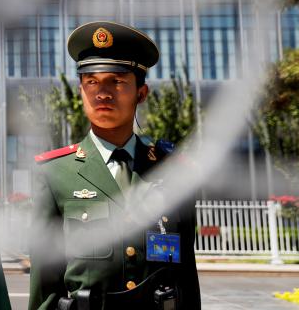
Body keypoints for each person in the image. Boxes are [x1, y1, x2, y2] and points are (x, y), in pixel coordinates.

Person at [28, 21, 200, 310]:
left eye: (117, 81)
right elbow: (44, 283)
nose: (103, 93)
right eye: (91, 82)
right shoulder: (56, 173)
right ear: (81, 91)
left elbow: (186, 276)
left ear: (141, 94)